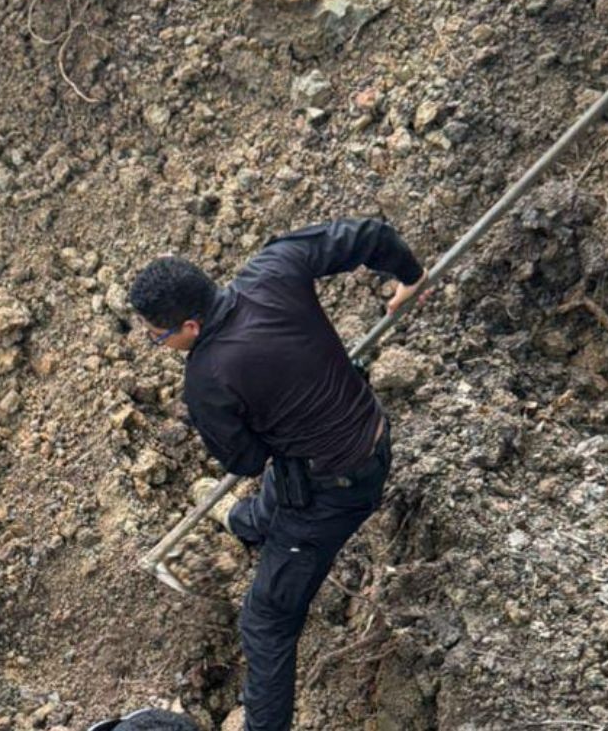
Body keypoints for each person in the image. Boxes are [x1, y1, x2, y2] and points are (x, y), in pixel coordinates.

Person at [129, 219, 427, 731]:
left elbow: (246, 460)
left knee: (265, 620)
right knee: (285, 471)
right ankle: (248, 523)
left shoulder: (206, 380)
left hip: (336, 492)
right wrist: (411, 277)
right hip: (371, 427)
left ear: (191, 327)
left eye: (158, 337)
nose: (156, 343)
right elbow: (368, 236)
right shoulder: (276, 266)